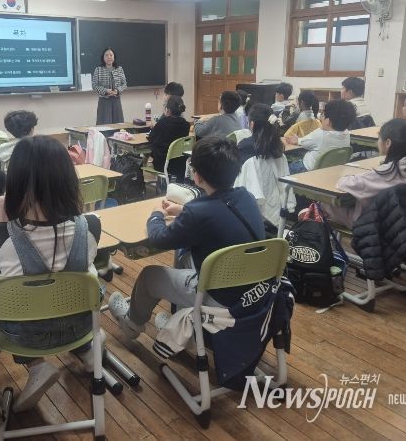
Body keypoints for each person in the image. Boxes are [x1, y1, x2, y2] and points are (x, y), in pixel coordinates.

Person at [0, 135, 103, 412]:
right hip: (80, 326)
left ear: (15, 182)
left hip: (25, 337)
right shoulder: (91, 226)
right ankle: (87, 351)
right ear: (68, 179)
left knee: (4, 300)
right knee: (80, 290)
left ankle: (37, 366)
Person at [107, 137, 265, 339]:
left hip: (220, 297)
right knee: (184, 253)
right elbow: (220, 214)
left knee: (148, 276)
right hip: (253, 289)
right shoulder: (246, 197)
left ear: (196, 176)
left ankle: (132, 325)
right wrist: (183, 211)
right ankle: (182, 320)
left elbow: (158, 238)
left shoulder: (198, 212)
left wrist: (156, 215)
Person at [323, 119, 406, 229]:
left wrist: (357, 176)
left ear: (387, 143)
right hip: (404, 222)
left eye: (379, 138)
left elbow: (344, 184)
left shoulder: (387, 172)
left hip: (374, 226)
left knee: (324, 203)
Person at [234, 104, 294, 230]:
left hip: (251, 212)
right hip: (277, 208)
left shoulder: (245, 147)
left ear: (251, 124)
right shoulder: (278, 148)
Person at [286, 99, 356, 173]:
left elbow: (301, 142)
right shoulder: (346, 133)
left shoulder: (321, 134)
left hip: (306, 169)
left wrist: (297, 140)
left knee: (286, 165)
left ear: (327, 121)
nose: (320, 118)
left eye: (322, 115)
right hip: (331, 170)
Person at [147, 95, 190, 182]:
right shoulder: (186, 124)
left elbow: (151, 138)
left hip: (163, 164)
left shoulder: (163, 122)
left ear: (168, 110)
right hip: (180, 164)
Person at [92, 47, 127, 125]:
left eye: (111, 55)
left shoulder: (119, 69)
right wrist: (106, 91)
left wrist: (117, 90)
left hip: (116, 100)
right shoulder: (98, 69)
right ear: (103, 57)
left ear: (114, 57)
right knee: (104, 125)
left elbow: (124, 84)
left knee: (118, 125)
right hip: (104, 101)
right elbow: (94, 85)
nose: (109, 57)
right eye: (106, 55)